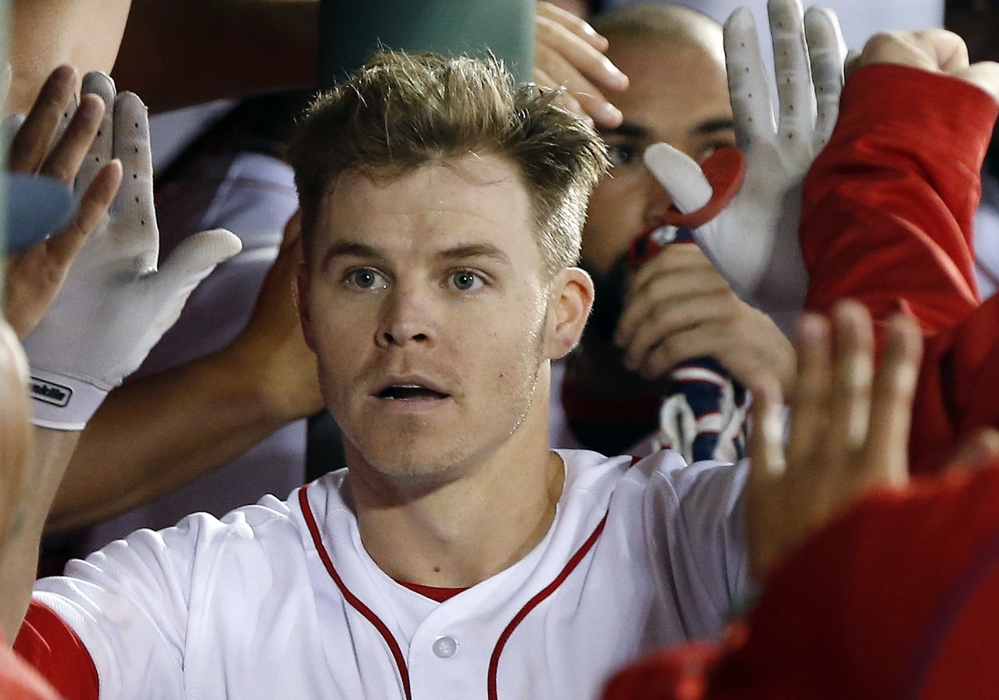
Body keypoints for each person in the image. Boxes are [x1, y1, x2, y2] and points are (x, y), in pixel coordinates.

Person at [1, 15, 929, 691]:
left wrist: (822, 319)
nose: (406, 321)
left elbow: (952, 571)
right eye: (362, 275)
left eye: (465, 278)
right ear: (304, 307)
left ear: (563, 314)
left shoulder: (698, 534)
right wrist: (48, 397)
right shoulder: (195, 587)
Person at [551, 3, 796, 459]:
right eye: (622, 156)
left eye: (717, 151)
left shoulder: (823, 378)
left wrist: (794, 387)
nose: (674, 203)